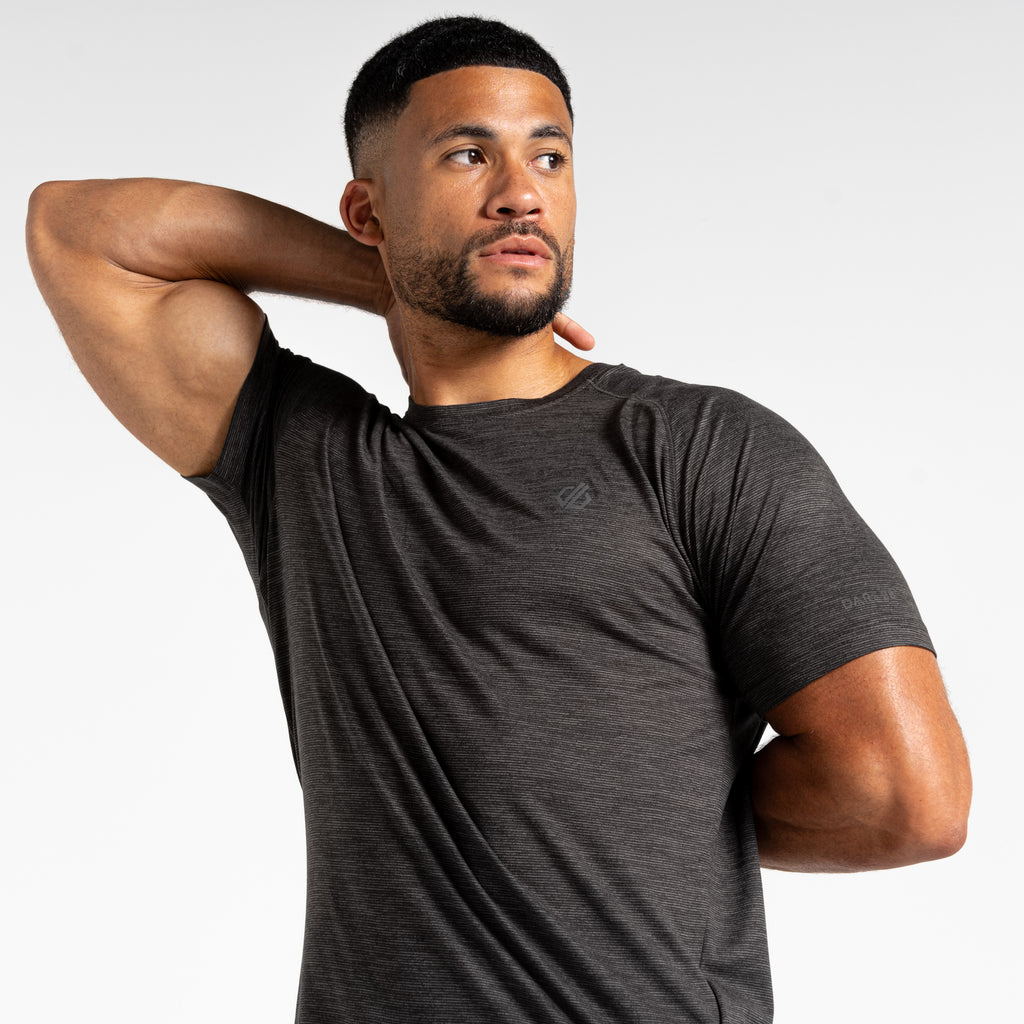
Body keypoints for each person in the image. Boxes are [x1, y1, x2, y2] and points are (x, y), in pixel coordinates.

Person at [26, 15, 971, 1024]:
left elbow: (907, 796)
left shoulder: (700, 447)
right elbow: (79, 230)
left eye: (549, 157)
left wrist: (660, 818)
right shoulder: (306, 462)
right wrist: (394, 284)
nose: (522, 192)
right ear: (367, 208)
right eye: (468, 155)